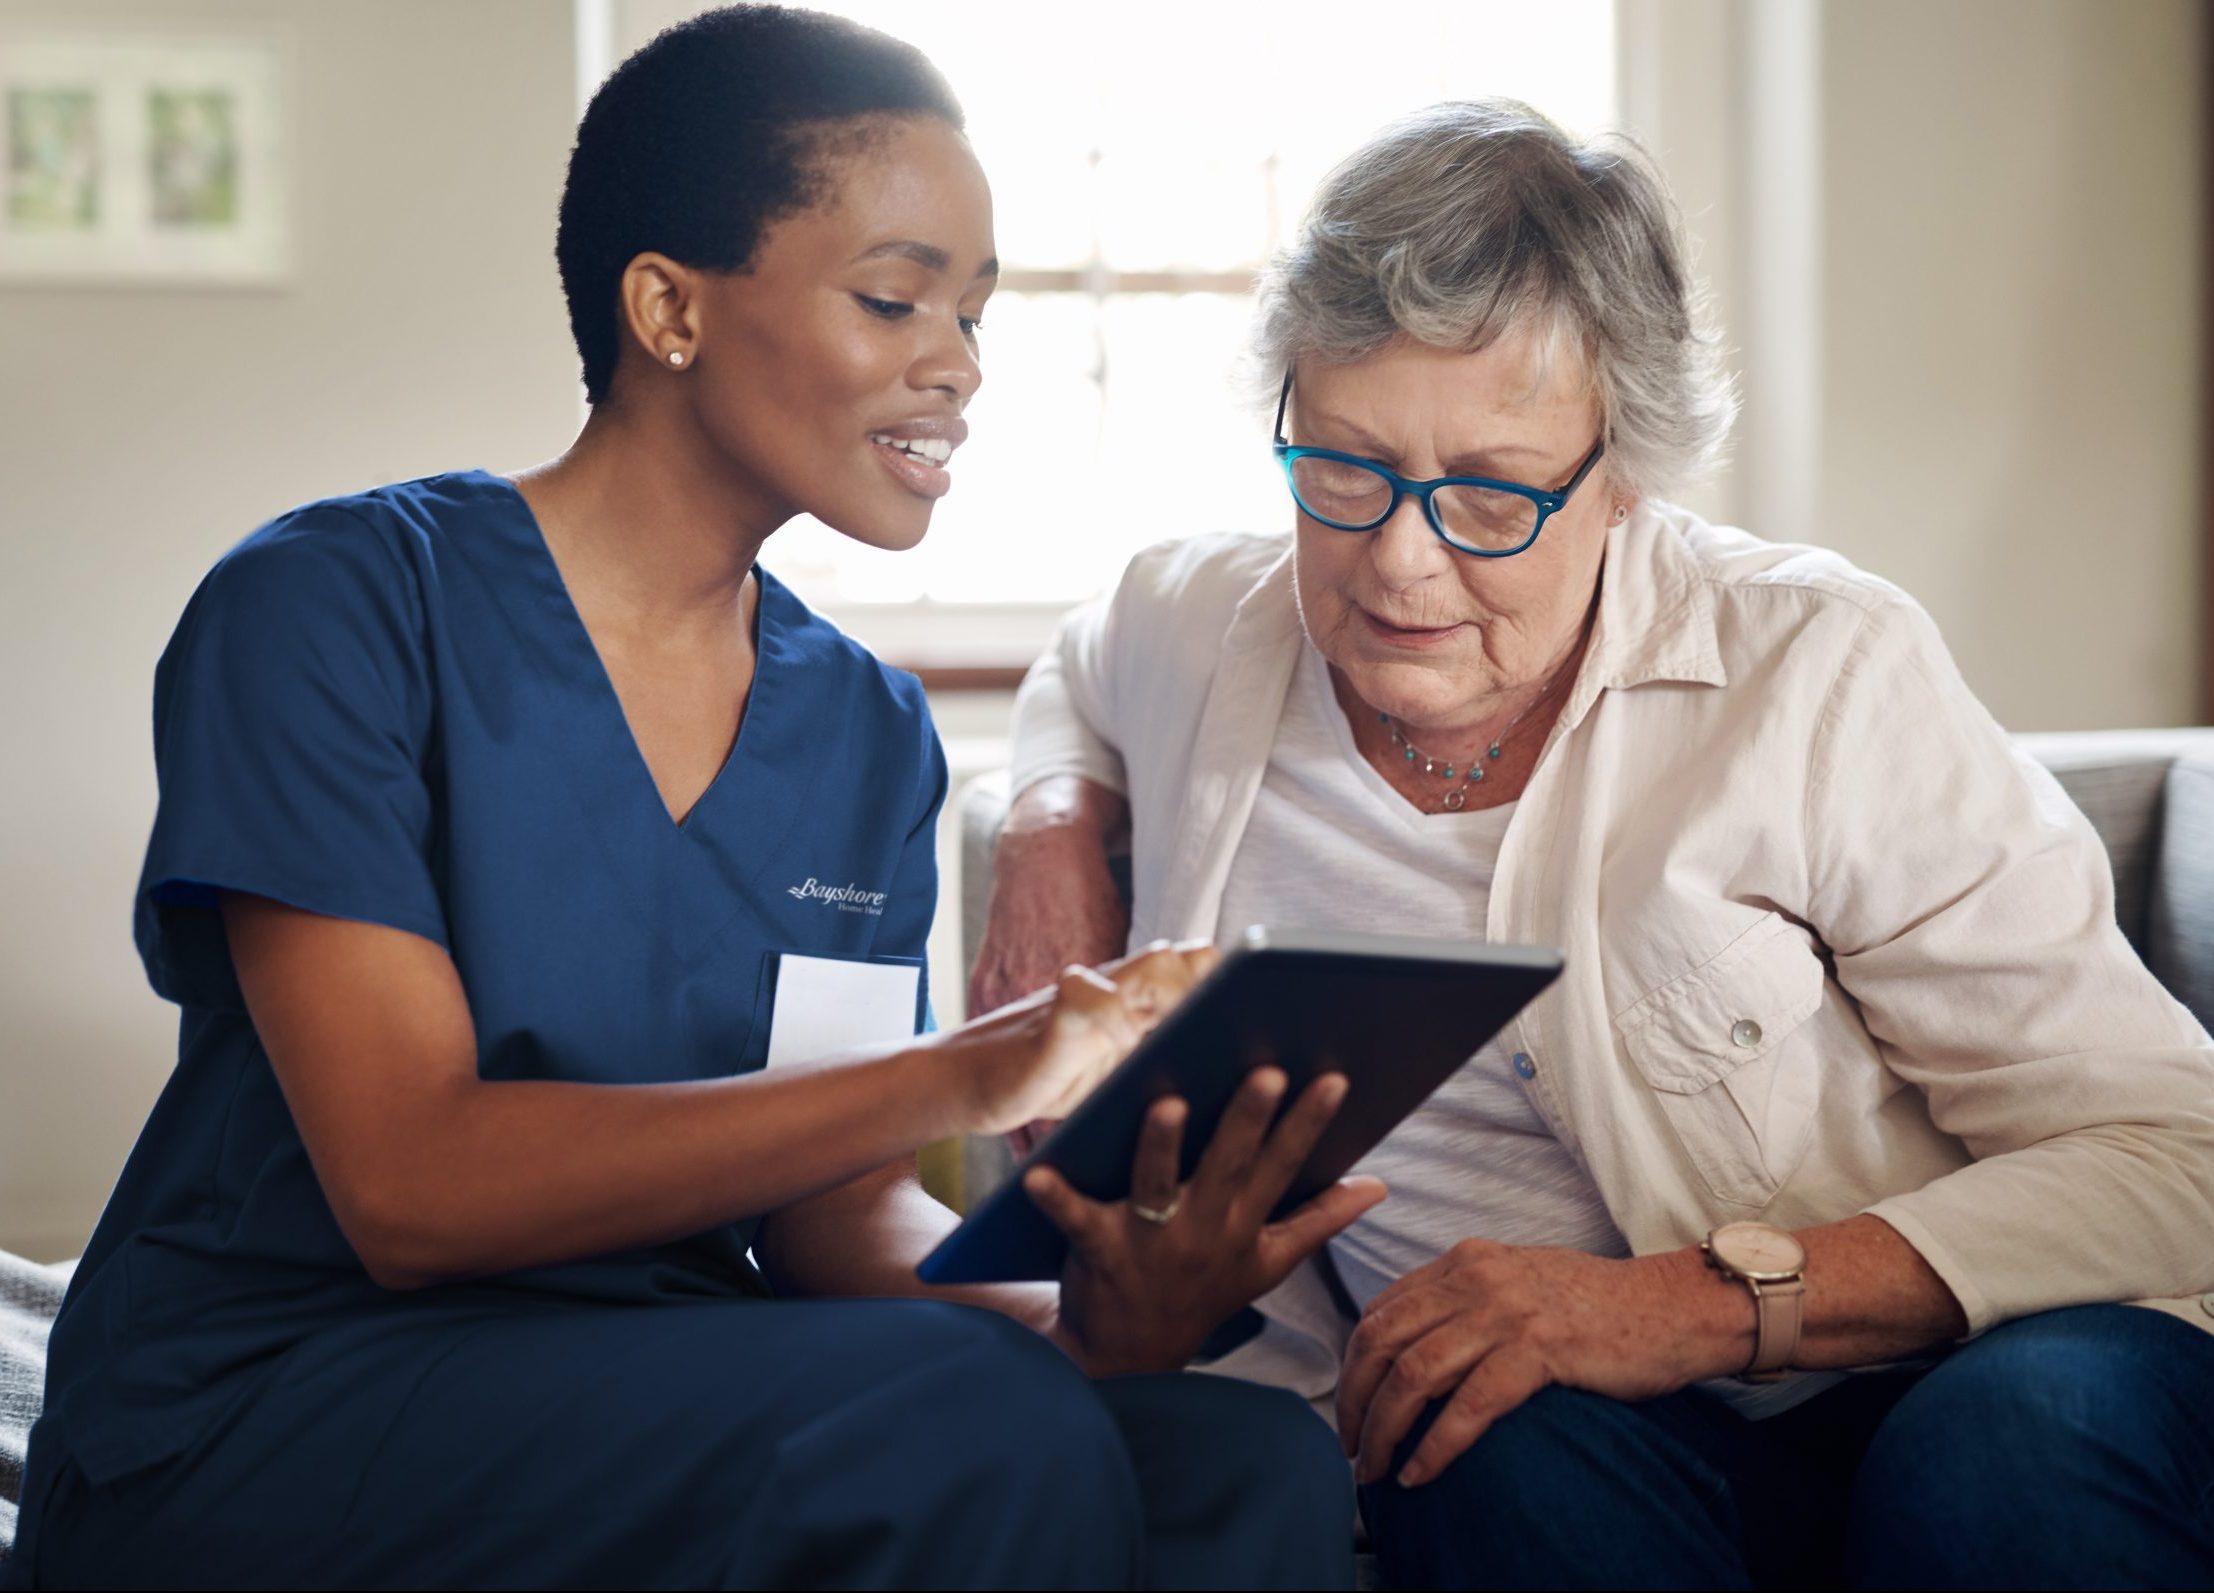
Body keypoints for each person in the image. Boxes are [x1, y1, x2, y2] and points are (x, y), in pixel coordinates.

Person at [4, 10, 1383, 1589]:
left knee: (1247, 1463)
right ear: (666, 306)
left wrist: (1083, 1322)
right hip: (273, 1397)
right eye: (894, 297)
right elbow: (409, 1185)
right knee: (970, 1422)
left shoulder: (863, 726)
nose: (959, 366)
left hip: (662, 1380)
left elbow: (833, 1223)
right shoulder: (332, 608)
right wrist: (980, 1067)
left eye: (977, 315)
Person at [976, 98, 2214, 1590]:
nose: (1399, 561)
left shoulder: (1813, 670)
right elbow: (1084, 664)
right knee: (1448, 1416)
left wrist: (1681, 1303)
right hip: (1607, 1441)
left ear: (1621, 471)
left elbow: (2173, 1151)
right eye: (1346, 469)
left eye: (1490, 494)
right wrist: (1052, 824)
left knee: (1997, 1454)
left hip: (1958, 1369)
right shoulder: (1203, 624)